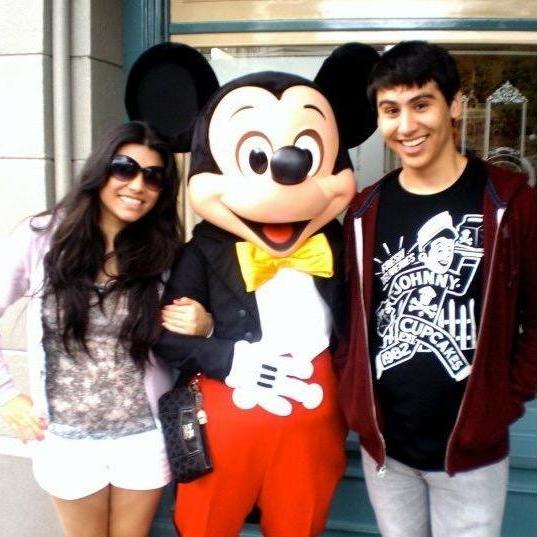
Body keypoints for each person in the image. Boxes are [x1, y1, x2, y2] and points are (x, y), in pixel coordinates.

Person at [338, 40, 537, 537]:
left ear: (455, 105)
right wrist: (353, 393)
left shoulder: (509, 203)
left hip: (470, 451)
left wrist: (504, 400)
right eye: (391, 110)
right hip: (387, 449)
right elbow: (348, 319)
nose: (406, 126)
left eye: (421, 104)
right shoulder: (363, 211)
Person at [0, 121, 212, 537]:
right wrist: (6, 396)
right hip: (66, 439)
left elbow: (187, 333)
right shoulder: (42, 239)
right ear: (101, 169)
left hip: (143, 437)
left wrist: (205, 325)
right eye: (124, 168)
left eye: (153, 177)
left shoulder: (164, 254)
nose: (138, 185)